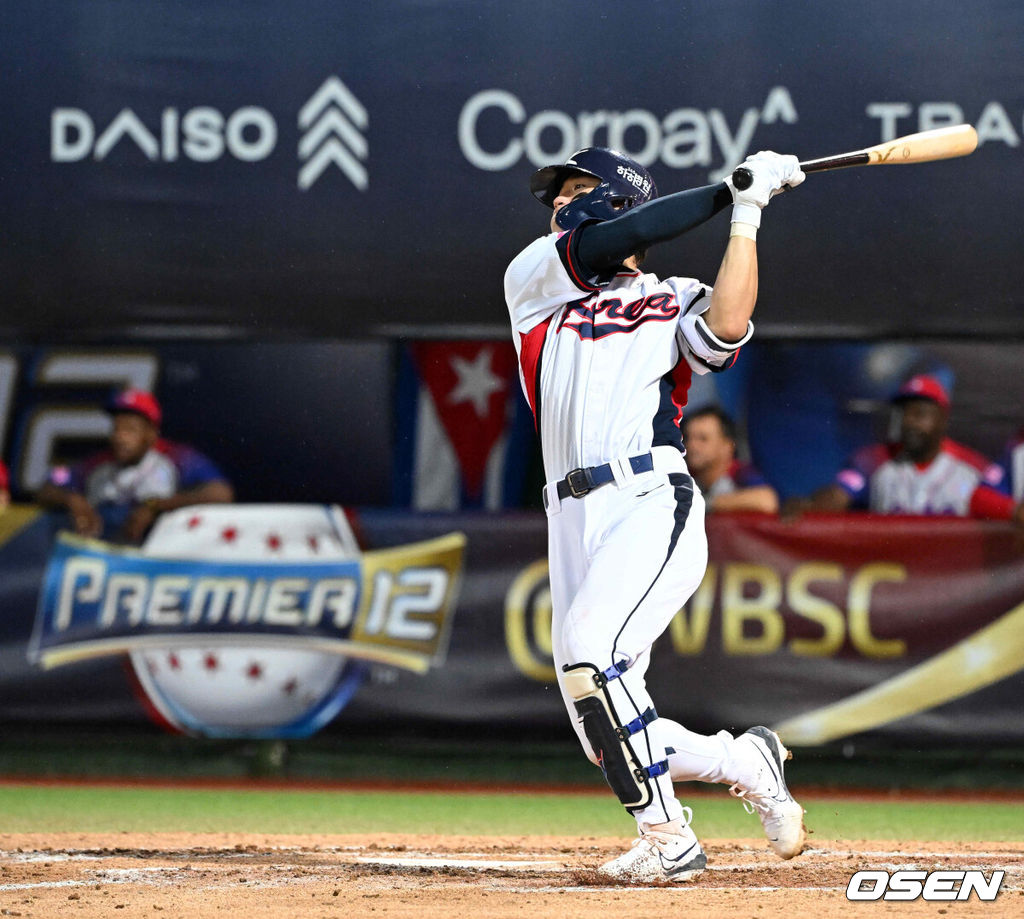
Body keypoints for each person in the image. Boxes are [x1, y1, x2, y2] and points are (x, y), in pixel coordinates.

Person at [504, 147, 806, 884]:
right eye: (558, 193)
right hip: (567, 516)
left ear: (617, 198)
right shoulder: (534, 278)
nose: (560, 203)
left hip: (646, 496)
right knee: (600, 729)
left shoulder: (673, 296)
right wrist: (724, 189)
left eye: (577, 189)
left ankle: (669, 839)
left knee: (589, 653)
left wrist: (747, 211)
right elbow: (615, 238)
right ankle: (746, 760)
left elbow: (727, 328)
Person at [783, 374, 1023, 524]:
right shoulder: (874, 460)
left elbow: (996, 506)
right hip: (893, 581)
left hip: (952, 583)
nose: (909, 422)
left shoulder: (972, 468)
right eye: (904, 414)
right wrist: (808, 507)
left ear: (943, 420)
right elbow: (840, 495)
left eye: (920, 414)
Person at [36, 389, 234, 544]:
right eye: (116, 428)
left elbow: (221, 493)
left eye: (130, 429)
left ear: (151, 433)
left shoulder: (177, 457)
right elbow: (48, 487)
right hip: (103, 554)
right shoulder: (97, 462)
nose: (120, 437)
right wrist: (74, 500)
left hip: (156, 558)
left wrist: (156, 506)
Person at [682, 405, 779, 513]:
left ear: (727, 446)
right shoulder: (683, 474)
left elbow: (767, 500)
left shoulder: (741, 473)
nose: (692, 446)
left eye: (703, 439)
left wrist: (707, 503)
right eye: (688, 438)